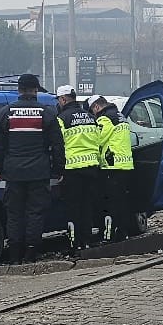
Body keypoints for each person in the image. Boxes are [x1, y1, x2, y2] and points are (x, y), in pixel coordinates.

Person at [0, 74, 61, 265]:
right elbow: (57, 144)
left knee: (14, 214)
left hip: (13, 172)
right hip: (39, 172)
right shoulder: (46, 113)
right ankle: (30, 254)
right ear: (36, 90)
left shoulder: (5, 113)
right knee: (35, 213)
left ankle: (14, 256)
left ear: (19, 90)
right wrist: (58, 169)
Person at [54, 85, 103, 253]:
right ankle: (87, 241)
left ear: (63, 99)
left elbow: (58, 146)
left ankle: (75, 244)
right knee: (87, 207)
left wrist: (58, 170)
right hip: (92, 168)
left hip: (72, 169)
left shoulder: (62, 118)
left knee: (73, 209)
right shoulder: (91, 116)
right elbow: (99, 141)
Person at [93, 95, 136, 242]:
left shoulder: (105, 119)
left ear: (96, 107)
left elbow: (98, 139)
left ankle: (108, 235)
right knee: (122, 201)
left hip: (111, 166)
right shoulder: (121, 116)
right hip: (126, 165)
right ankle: (122, 232)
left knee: (110, 203)